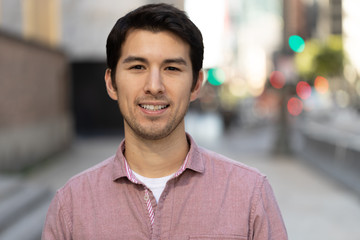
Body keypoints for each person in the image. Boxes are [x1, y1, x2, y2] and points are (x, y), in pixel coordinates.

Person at [42, 3, 287, 240]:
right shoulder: (71, 205)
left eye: (171, 68)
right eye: (138, 67)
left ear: (196, 85)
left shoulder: (250, 195)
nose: (154, 86)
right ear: (111, 83)